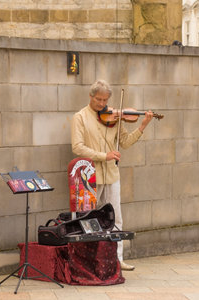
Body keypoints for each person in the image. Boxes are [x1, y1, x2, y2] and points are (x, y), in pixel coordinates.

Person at [71, 80, 154, 271]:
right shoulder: (80, 117)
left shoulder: (114, 117)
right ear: (91, 96)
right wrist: (104, 156)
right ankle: (84, 261)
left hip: (112, 175)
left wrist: (142, 126)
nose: (102, 104)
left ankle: (117, 259)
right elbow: (77, 147)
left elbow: (124, 142)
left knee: (116, 219)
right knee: (85, 220)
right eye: (98, 99)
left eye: (105, 100)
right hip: (89, 178)